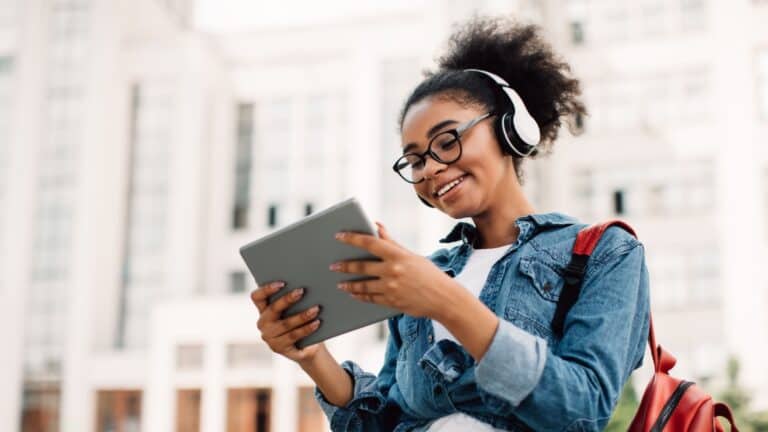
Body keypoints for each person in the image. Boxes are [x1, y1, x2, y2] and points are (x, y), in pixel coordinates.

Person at [250, 16, 650, 432]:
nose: (432, 168)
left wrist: (447, 302)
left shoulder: (606, 252)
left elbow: (582, 410)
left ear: (510, 129)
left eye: (447, 141)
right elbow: (385, 424)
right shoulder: (424, 275)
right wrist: (314, 357)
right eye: (417, 160)